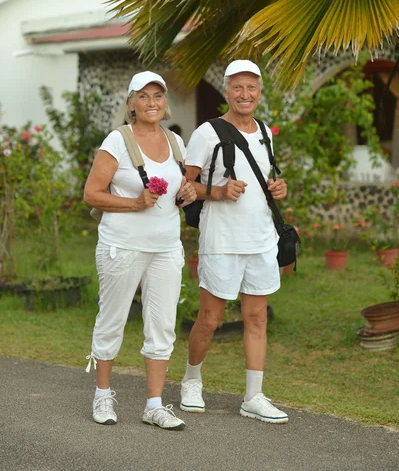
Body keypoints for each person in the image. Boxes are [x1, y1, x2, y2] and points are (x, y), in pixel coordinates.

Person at [84, 71, 196, 431]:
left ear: (166, 103)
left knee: (162, 327)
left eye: (158, 96)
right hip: (122, 246)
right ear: (131, 103)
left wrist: (187, 194)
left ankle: (154, 405)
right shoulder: (118, 140)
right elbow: (92, 194)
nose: (152, 103)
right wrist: (134, 204)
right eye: (143, 96)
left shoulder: (177, 142)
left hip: (165, 247)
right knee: (112, 320)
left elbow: (180, 191)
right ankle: (102, 395)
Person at [180, 60, 289, 424]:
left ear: (260, 91)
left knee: (256, 318)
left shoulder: (265, 132)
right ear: (227, 91)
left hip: (260, 240)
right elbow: (184, 188)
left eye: (252, 88)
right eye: (238, 88)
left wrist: (278, 188)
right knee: (210, 318)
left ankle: (253, 397)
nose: (245, 95)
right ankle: (191, 381)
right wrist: (218, 191)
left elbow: (263, 178)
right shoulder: (207, 133)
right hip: (222, 240)